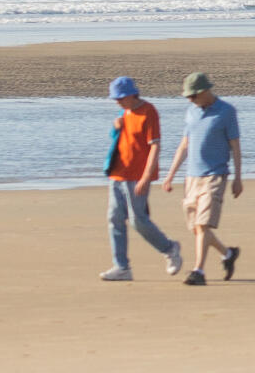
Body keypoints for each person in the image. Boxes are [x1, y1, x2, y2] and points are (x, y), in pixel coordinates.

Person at [161, 71, 244, 286]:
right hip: (191, 177)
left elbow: (235, 146)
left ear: (205, 91)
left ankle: (198, 271)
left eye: (193, 96)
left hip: (215, 176)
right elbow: (184, 145)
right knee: (197, 228)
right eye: (188, 97)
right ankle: (228, 254)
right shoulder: (191, 112)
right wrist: (170, 175)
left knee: (203, 224)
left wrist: (238, 178)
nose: (190, 100)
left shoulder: (226, 112)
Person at [99, 75, 182, 283]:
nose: (117, 102)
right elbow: (119, 141)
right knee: (114, 219)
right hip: (117, 174)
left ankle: (169, 248)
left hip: (137, 177)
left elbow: (155, 146)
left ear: (132, 95)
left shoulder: (148, 111)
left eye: (120, 98)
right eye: (115, 99)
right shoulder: (124, 113)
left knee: (138, 221)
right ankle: (122, 267)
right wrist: (115, 128)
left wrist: (146, 177)